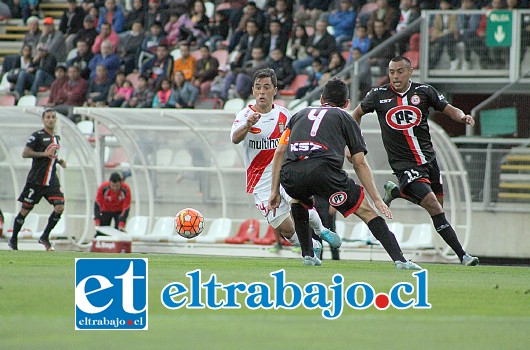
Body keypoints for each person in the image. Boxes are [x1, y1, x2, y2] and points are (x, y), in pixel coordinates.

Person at [268, 78, 421, 268]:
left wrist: (274, 191)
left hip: (291, 173)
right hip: (324, 171)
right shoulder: (345, 117)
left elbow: (280, 152)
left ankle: (308, 255)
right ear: (347, 103)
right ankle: (401, 260)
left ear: (322, 98)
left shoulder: (299, 114)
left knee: (297, 200)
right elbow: (359, 163)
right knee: (366, 211)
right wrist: (377, 199)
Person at [351, 56, 480, 266]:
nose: (395, 76)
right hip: (405, 165)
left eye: (400, 71)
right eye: (392, 72)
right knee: (434, 208)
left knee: (438, 208)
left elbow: (448, 108)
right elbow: (355, 115)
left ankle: (398, 192)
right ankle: (463, 255)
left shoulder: (424, 91)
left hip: (429, 161)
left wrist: (462, 116)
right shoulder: (378, 95)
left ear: (410, 72)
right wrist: (354, 143)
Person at [231, 68, 342, 262]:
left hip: (285, 172)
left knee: (297, 202)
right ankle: (313, 246)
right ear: (253, 90)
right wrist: (248, 125)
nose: (262, 92)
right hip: (260, 180)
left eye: (266, 87)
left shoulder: (284, 115)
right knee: (285, 228)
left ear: (275, 90)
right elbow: (234, 138)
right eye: (258, 88)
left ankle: (322, 230)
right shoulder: (245, 115)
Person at [8, 108, 67, 251]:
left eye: (53, 117)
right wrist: (44, 153)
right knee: (25, 211)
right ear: (43, 119)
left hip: (51, 179)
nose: (51, 119)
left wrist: (59, 161)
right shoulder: (37, 136)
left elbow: (52, 155)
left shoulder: (56, 138)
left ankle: (45, 236)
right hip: (36, 180)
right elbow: (25, 153)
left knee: (59, 206)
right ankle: (13, 238)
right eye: (48, 117)